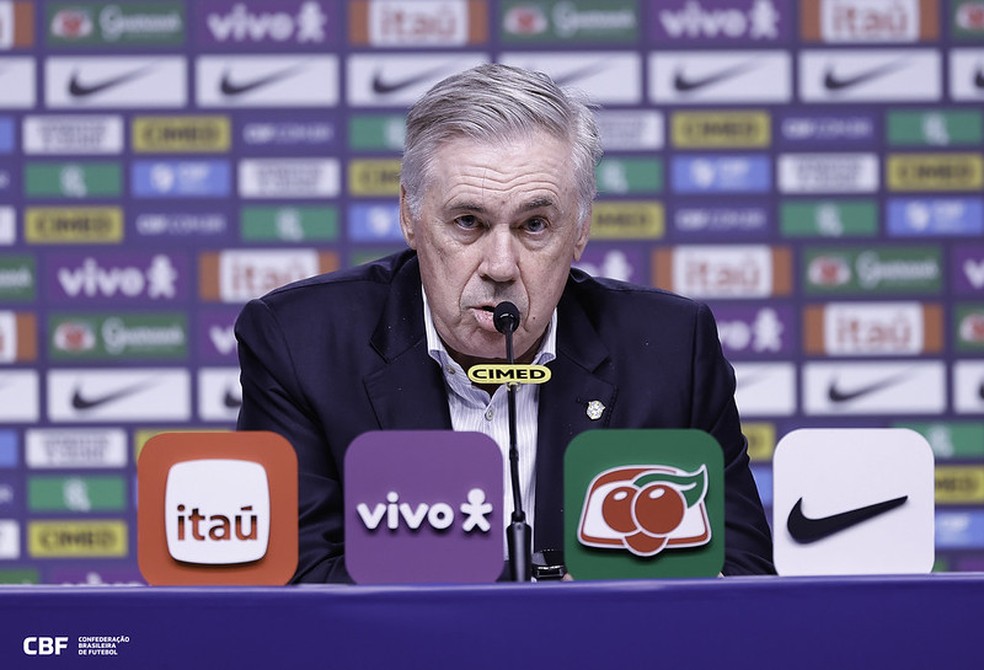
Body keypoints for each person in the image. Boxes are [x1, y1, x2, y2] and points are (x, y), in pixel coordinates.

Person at [235, 63, 775, 582]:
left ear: (581, 230)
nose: (499, 266)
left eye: (534, 224)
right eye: (468, 222)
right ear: (410, 216)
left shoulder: (671, 349)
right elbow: (296, 584)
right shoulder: (299, 344)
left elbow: (741, 579)